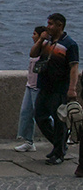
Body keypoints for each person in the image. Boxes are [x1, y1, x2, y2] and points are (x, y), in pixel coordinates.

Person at [30, 13, 79, 165]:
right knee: (40, 117)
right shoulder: (46, 41)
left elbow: (74, 68)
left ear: (60, 26)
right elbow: (33, 54)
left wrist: (72, 89)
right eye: (48, 23)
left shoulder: (70, 44)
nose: (48, 26)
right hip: (44, 86)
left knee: (59, 122)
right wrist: (41, 40)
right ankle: (60, 144)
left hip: (59, 89)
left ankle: (58, 153)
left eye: (51, 24)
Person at [15, 26, 46, 152]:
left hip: (38, 87)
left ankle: (62, 136)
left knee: (44, 115)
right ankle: (28, 141)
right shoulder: (36, 49)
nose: (32, 36)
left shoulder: (46, 49)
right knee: (25, 113)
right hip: (30, 85)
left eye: (34, 34)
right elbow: (32, 53)